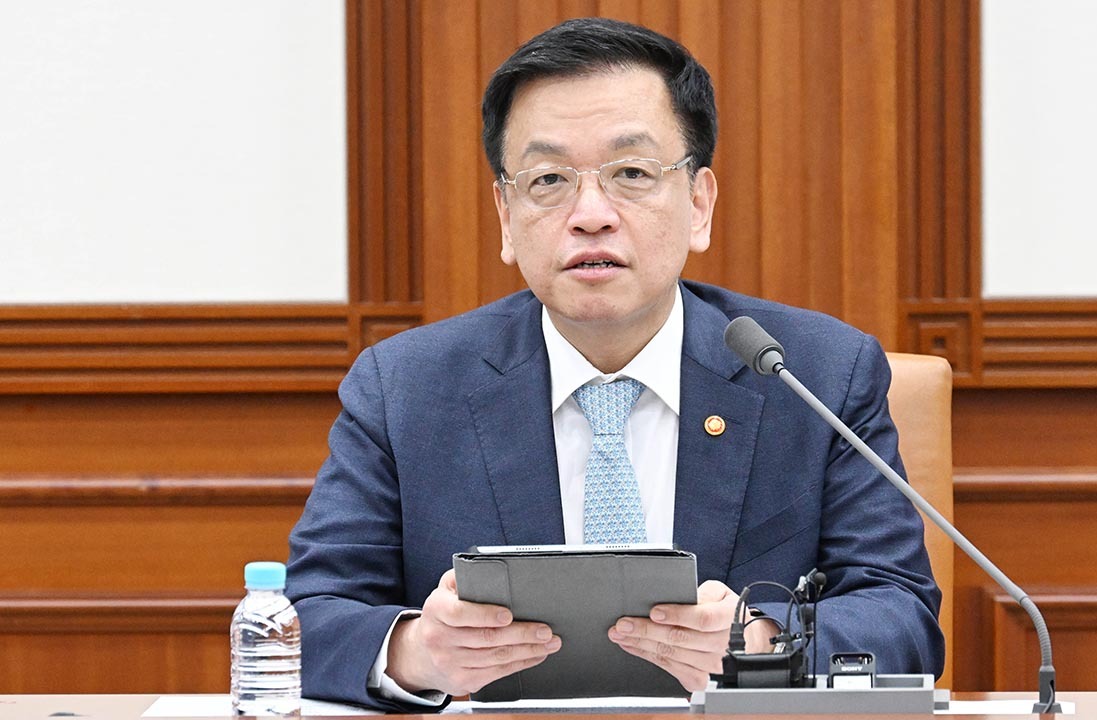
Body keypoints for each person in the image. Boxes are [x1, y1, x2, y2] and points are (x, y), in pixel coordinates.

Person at [286, 17, 943, 712]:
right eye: (549, 179)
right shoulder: (405, 388)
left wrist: (760, 643)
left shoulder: (816, 375)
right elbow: (306, 618)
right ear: (505, 214)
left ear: (698, 204)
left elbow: (901, 616)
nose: (591, 214)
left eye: (631, 173)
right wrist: (420, 650)